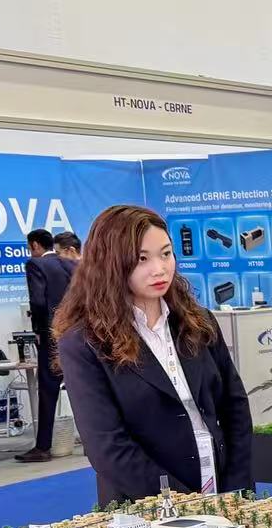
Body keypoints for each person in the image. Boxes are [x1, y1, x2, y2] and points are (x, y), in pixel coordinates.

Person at [55, 204, 252, 506]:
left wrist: (237, 489)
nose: (159, 269)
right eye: (142, 259)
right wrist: (185, 505)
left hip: (223, 489)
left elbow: (234, 406)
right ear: (111, 264)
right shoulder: (84, 343)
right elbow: (107, 446)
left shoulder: (198, 322)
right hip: (146, 506)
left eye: (166, 254)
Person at [19, 228, 75, 462]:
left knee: (48, 390)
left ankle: (42, 447)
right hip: (76, 333)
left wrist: (39, 331)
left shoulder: (35, 265)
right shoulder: (71, 264)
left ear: (34, 245)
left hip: (52, 335)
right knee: (82, 387)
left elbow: (38, 302)